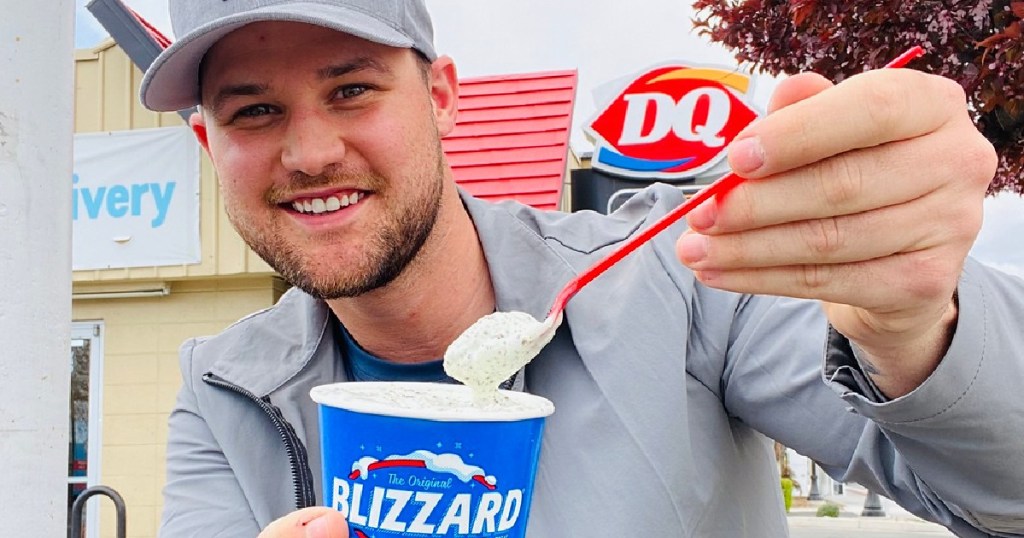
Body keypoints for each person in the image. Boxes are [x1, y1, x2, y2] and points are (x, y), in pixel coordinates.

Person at [140, 1, 1024, 537]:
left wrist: (915, 326)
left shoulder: (679, 281)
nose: (310, 151)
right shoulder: (221, 390)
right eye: (254, 111)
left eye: (353, 90)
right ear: (208, 142)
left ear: (443, 97)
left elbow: (1002, 496)